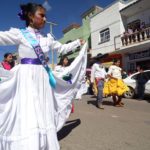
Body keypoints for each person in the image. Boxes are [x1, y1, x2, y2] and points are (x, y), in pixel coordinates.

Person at [0, 3, 86, 150]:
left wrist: (78, 43)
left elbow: (61, 48)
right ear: (31, 16)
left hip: (43, 77)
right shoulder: (20, 34)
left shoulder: (47, 39)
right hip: (26, 77)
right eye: (42, 15)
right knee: (29, 110)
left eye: (45, 16)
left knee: (42, 110)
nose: (45, 19)